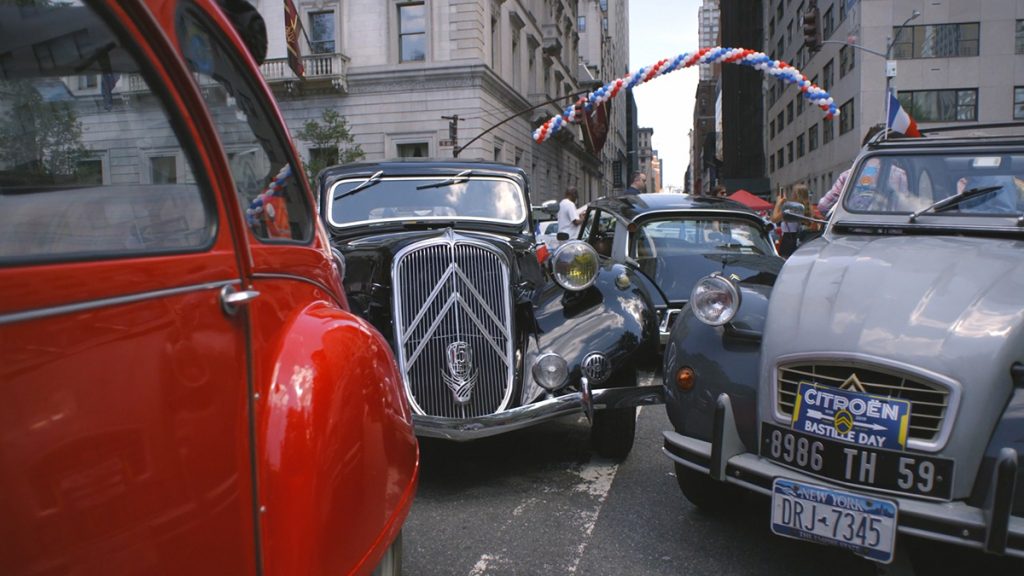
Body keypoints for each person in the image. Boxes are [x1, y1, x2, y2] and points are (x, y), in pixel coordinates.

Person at [772, 183, 815, 258]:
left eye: (792, 192)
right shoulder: (808, 208)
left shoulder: (791, 208)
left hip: (788, 242)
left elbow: (774, 219)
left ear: (795, 194)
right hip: (803, 241)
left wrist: (778, 203)